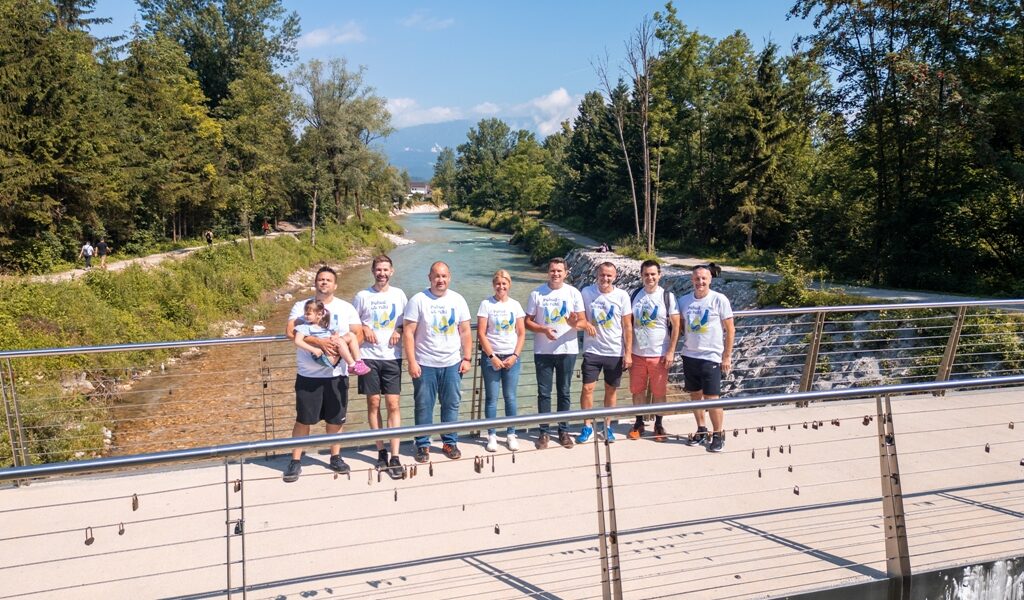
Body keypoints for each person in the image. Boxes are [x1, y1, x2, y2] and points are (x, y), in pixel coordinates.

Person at [282, 266, 362, 483]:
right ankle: (295, 460)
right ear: (315, 283)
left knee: (336, 419)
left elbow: (358, 334)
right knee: (303, 419)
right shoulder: (302, 306)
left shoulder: (345, 307)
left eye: (328, 280)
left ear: (335, 285)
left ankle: (335, 457)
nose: (324, 282)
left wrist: (338, 348)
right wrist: (319, 342)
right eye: (320, 279)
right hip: (308, 374)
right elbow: (290, 332)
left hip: (337, 373)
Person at [403, 261, 473, 463]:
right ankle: (423, 444)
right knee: (423, 405)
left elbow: (465, 331)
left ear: (449, 277)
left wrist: (467, 357)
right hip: (425, 363)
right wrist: (412, 361)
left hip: (452, 362)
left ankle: (449, 442)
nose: (440, 280)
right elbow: (408, 332)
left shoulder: (458, 300)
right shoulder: (418, 300)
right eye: (436, 276)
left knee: (451, 404)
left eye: (444, 276)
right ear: (430, 278)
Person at [353, 255, 407, 477]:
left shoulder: (399, 295)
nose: (382, 273)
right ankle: (380, 451)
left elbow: (407, 323)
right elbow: (353, 324)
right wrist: (364, 328)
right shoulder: (362, 296)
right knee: (373, 403)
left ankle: (395, 455)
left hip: (392, 356)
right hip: (368, 356)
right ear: (373, 271)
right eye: (378, 270)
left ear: (392, 271)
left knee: (393, 404)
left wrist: (399, 330)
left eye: (385, 270)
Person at [525, 257, 585, 449]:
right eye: (553, 270)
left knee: (564, 391)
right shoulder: (537, 293)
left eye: (559, 271)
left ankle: (563, 431)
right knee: (544, 393)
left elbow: (582, 321)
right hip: (543, 351)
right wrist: (543, 330)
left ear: (566, 273)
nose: (556, 274)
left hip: (567, 350)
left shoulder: (573, 293)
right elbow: (527, 322)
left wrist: (574, 323)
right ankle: (543, 432)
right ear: (548, 272)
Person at [679, 264, 735, 453]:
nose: (700, 282)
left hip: (711, 357)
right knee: (695, 395)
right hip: (689, 355)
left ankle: (718, 434)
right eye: (697, 278)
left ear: (710, 279)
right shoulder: (684, 301)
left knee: (712, 398)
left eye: (704, 278)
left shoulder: (719, 299)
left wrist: (726, 356)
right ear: (691, 280)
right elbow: (680, 326)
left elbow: (730, 330)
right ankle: (701, 429)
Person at [577, 262, 632, 443]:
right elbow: (579, 316)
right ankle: (587, 426)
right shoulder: (586, 292)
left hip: (614, 351)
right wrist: (586, 324)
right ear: (596, 274)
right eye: (602, 274)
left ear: (615, 277)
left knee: (611, 389)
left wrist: (628, 353)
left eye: (609, 275)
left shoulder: (622, 296)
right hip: (592, 350)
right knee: (587, 388)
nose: (605, 278)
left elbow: (627, 326)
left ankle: (607, 426)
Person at [628, 259, 681, 441]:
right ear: (641, 276)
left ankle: (658, 424)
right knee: (637, 391)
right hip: (637, 354)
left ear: (659, 275)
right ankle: (639, 422)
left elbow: (676, 325)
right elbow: (628, 324)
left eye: (653, 274)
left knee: (659, 392)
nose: (649, 278)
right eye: (646, 274)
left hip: (659, 354)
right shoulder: (635, 295)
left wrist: (671, 351)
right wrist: (627, 351)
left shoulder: (667, 296)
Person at [477, 269, 526, 452]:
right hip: (491, 358)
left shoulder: (515, 305)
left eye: (504, 283)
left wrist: (515, 356)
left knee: (510, 397)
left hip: (511, 357)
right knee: (491, 398)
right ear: (493, 285)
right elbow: (481, 333)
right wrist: (492, 357)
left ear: (509, 285)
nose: (501, 287)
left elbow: (521, 333)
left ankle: (511, 434)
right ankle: (492, 435)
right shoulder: (486, 304)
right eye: (498, 283)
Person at [292, 299, 371, 375]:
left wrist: (335, 336)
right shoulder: (304, 327)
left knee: (351, 335)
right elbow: (297, 341)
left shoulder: (325, 324)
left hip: (331, 351)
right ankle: (352, 365)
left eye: (308, 314)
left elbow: (335, 332)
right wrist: (314, 349)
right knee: (339, 341)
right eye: (305, 313)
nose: (305, 316)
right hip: (322, 356)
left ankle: (358, 362)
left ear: (319, 315)